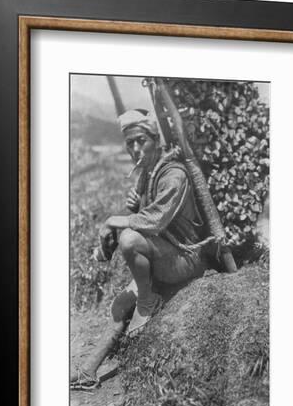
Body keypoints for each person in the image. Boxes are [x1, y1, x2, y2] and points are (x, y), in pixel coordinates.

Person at [70, 109, 207, 390]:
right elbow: (138, 217)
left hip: (186, 258)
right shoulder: (148, 173)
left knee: (130, 240)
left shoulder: (174, 174)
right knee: (120, 304)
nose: (135, 148)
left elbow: (154, 221)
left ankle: (148, 300)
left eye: (141, 140)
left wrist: (113, 220)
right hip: (164, 254)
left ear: (155, 139)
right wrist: (132, 207)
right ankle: (88, 373)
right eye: (129, 143)